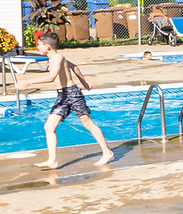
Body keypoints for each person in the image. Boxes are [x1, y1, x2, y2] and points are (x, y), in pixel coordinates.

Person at [17, 30, 115, 169]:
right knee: (49, 127)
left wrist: (28, 82)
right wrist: (85, 82)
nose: (37, 48)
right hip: (62, 95)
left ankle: (107, 152)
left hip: (72, 94)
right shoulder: (54, 58)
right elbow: (74, 67)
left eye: (39, 45)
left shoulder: (58, 58)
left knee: (87, 123)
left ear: (48, 47)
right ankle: (53, 160)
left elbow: (51, 77)